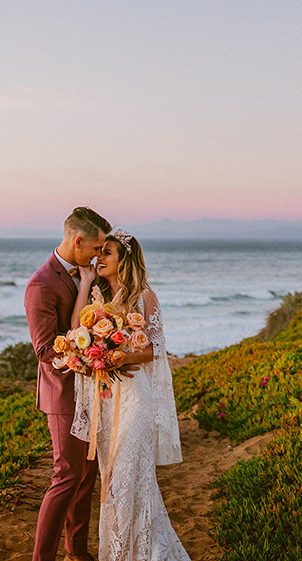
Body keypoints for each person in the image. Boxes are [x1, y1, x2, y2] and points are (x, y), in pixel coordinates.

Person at [70, 230, 190, 561]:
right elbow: (75, 332)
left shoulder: (144, 297)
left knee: (126, 478)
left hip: (135, 399)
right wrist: (84, 284)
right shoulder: (97, 297)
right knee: (112, 483)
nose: (100, 259)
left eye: (107, 253)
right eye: (100, 253)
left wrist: (121, 357)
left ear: (124, 260)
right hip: (108, 403)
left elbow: (155, 350)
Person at [25, 206, 113, 561]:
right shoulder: (41, 284)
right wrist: (87, 353)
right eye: (95, 248)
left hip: (92, 390)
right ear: (78, 241)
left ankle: (76, 550)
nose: (98, 255)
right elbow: (46, 350)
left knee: (87, 473)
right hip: (62, 394)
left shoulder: (90, 276)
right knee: (66, 475)